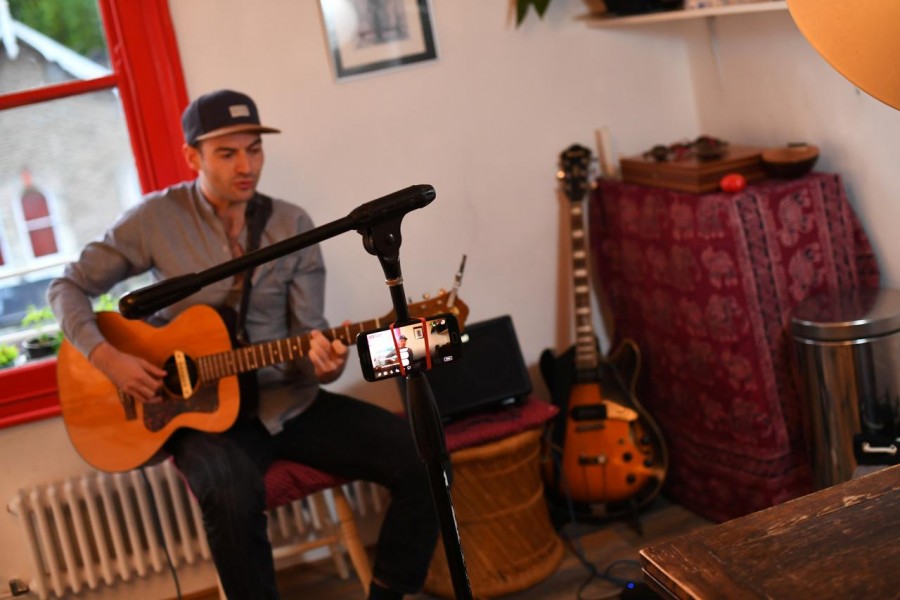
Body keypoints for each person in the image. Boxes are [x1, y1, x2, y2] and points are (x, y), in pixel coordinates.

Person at [47, 89, 439, 600]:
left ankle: (388, 593)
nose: (246, 166)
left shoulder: (292, 224)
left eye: (254, 150)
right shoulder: (153, 221)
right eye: (227, 153)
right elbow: (66, 287)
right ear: (192, 157)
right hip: (203, 415)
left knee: (423, 456)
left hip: (288, 403)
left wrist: (324, 365)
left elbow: (311, 334)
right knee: (230, 495)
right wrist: (108, 358)